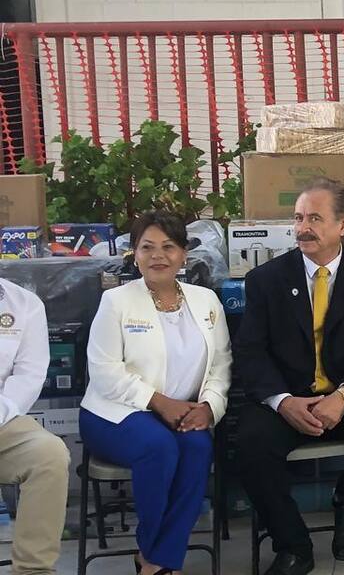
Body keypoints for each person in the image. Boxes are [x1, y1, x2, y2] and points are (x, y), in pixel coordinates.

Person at [235, 179, 344, 575]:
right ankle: (293, 545)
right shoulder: (266, 281)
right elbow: (249, 352)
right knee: (249, 442)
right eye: (298, 218)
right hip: (289, 400)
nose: (302, 228)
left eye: (314, 218)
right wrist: (283, 401)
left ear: (343, 225)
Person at [80, 211, 232, 575]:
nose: (157, 256)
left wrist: (209, 408)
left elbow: (221, 365)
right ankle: (155, 559)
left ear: (183, 254)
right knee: (158, 447)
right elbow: (104, 373)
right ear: (135, 254)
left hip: (182, 414)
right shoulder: (116, 301)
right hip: (114, 414)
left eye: (168, 247)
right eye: (147, 247)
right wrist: (160, 403)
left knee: (197, 447)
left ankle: (159, 557)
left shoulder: (206, 300)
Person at [0, 278, 70, 575]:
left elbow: (28, 377)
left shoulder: (24, 304)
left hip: (3, 420)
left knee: (49, 454)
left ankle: (33, 570)